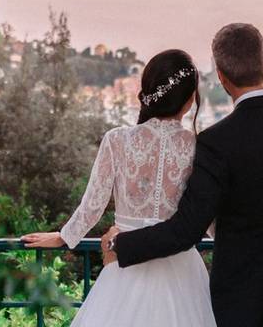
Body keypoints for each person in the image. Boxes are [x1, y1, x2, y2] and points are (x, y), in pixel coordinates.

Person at [103, 23, 263, 327]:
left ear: (222, 77)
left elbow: (186, 230)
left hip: (241, 303)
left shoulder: (216, 141)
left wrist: (120, 244)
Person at [21, 49, 217, 327]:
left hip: (124, 264)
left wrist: (64, 236)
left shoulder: (117, 140)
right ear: (189, 100)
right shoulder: (199, 147)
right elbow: (207, 219)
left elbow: (93, 205)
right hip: (182, 271)